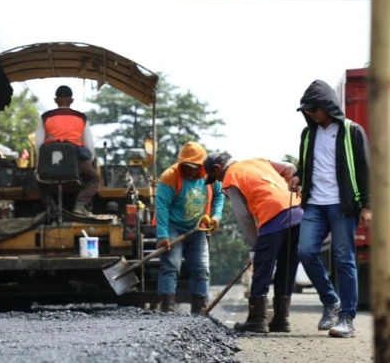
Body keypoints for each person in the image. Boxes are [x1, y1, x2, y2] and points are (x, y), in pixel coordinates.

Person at [289, 79, 371, 338]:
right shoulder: (308, 134)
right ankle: (331, 300)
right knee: (305, 251)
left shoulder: (352, 131)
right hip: (314, 203)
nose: (309, 114)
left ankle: (347, 318)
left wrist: (367, 206)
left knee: (344, 259)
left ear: (326, 106)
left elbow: (364, 170)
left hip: (342, 205)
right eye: (306, 110)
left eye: (313, 109)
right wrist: (298, 176)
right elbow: (305, 163)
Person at [204, 152, 302, 333]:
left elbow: (244, 218)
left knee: (262, 268)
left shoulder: (231, 178)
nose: (217, 182)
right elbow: (290, 168)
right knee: (287, 266)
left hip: (272, 215)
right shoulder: (258, 161)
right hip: (297, 210)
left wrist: (255, 246)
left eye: (214, 178)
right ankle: (281, 319)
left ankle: (257, 319)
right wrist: (285, 192)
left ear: (217, 169)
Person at [155, 142, 224, 314]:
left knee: (201, 268)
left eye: (195, 168)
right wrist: (162, 235)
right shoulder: (170, 176)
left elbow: (218, 197)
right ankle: (167, 307)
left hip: (198, 229)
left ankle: (199, 309)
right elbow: (161, 207)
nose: (191, 171)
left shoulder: (209, 176)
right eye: (187, 167)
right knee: (171, 265)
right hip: (173, 227)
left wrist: (216, 216)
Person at [34, 85, 99, 217]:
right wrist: (88, 162)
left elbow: (39, 145)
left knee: (36, 178)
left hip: (50, 161)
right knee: (95, 179)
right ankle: (80, 205)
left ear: (55, 100)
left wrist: (40, 165)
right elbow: (89, 146)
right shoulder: (81, 118)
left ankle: (51, 205)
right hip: (76, 161)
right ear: (72, 100)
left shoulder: (45, 117)